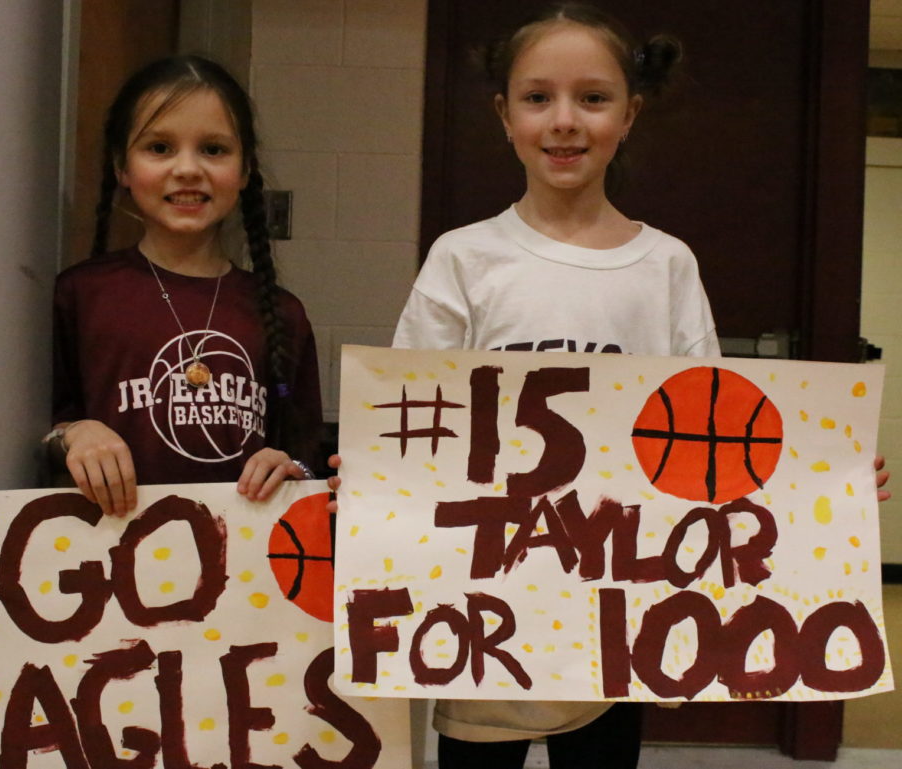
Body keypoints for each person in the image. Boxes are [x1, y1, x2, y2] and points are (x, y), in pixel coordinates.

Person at [323, 3, 890, 767]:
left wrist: (819, 478)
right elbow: (416, 419)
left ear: (630, 114)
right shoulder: (464, 258)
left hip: (615, 616)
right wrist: (373, 475)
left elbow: (712, 432)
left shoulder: (666, 266)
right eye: (538, 97)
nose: (564, 120)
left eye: (592, 98)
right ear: (504, 115)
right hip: (484, 608)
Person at [46, 55, 323, 517]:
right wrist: (74, 433)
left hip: (240, 553)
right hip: (108, 549)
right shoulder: (79, 294)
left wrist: (289, 468)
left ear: (245, 169)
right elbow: (32, 436)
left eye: (213, 149)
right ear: (122, 167)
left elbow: (307, 460)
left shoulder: (282, 313)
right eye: (160, 148)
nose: (188, 169)